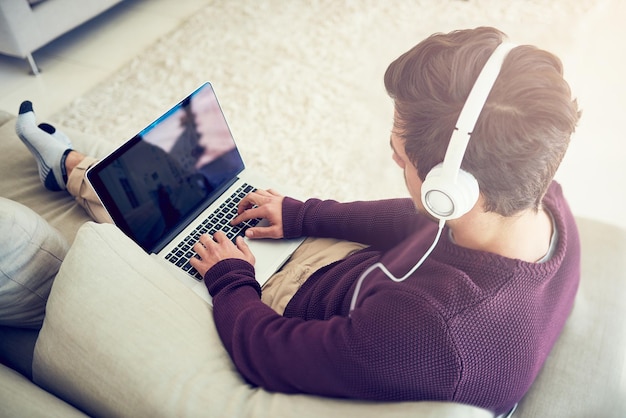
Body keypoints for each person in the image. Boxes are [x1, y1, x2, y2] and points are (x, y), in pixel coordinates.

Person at [10, 26, 580, 416]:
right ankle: (77, 163)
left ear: (450, 191)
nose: (392, 157)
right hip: (354, 272)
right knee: (199, 194)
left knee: (138, 232)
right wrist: (304, 212)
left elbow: (270, 350)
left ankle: (69, 165)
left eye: (398, 151)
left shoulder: (435, 333)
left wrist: (229, 277)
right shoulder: (538, 198)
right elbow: (416, 223)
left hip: (278, 299)